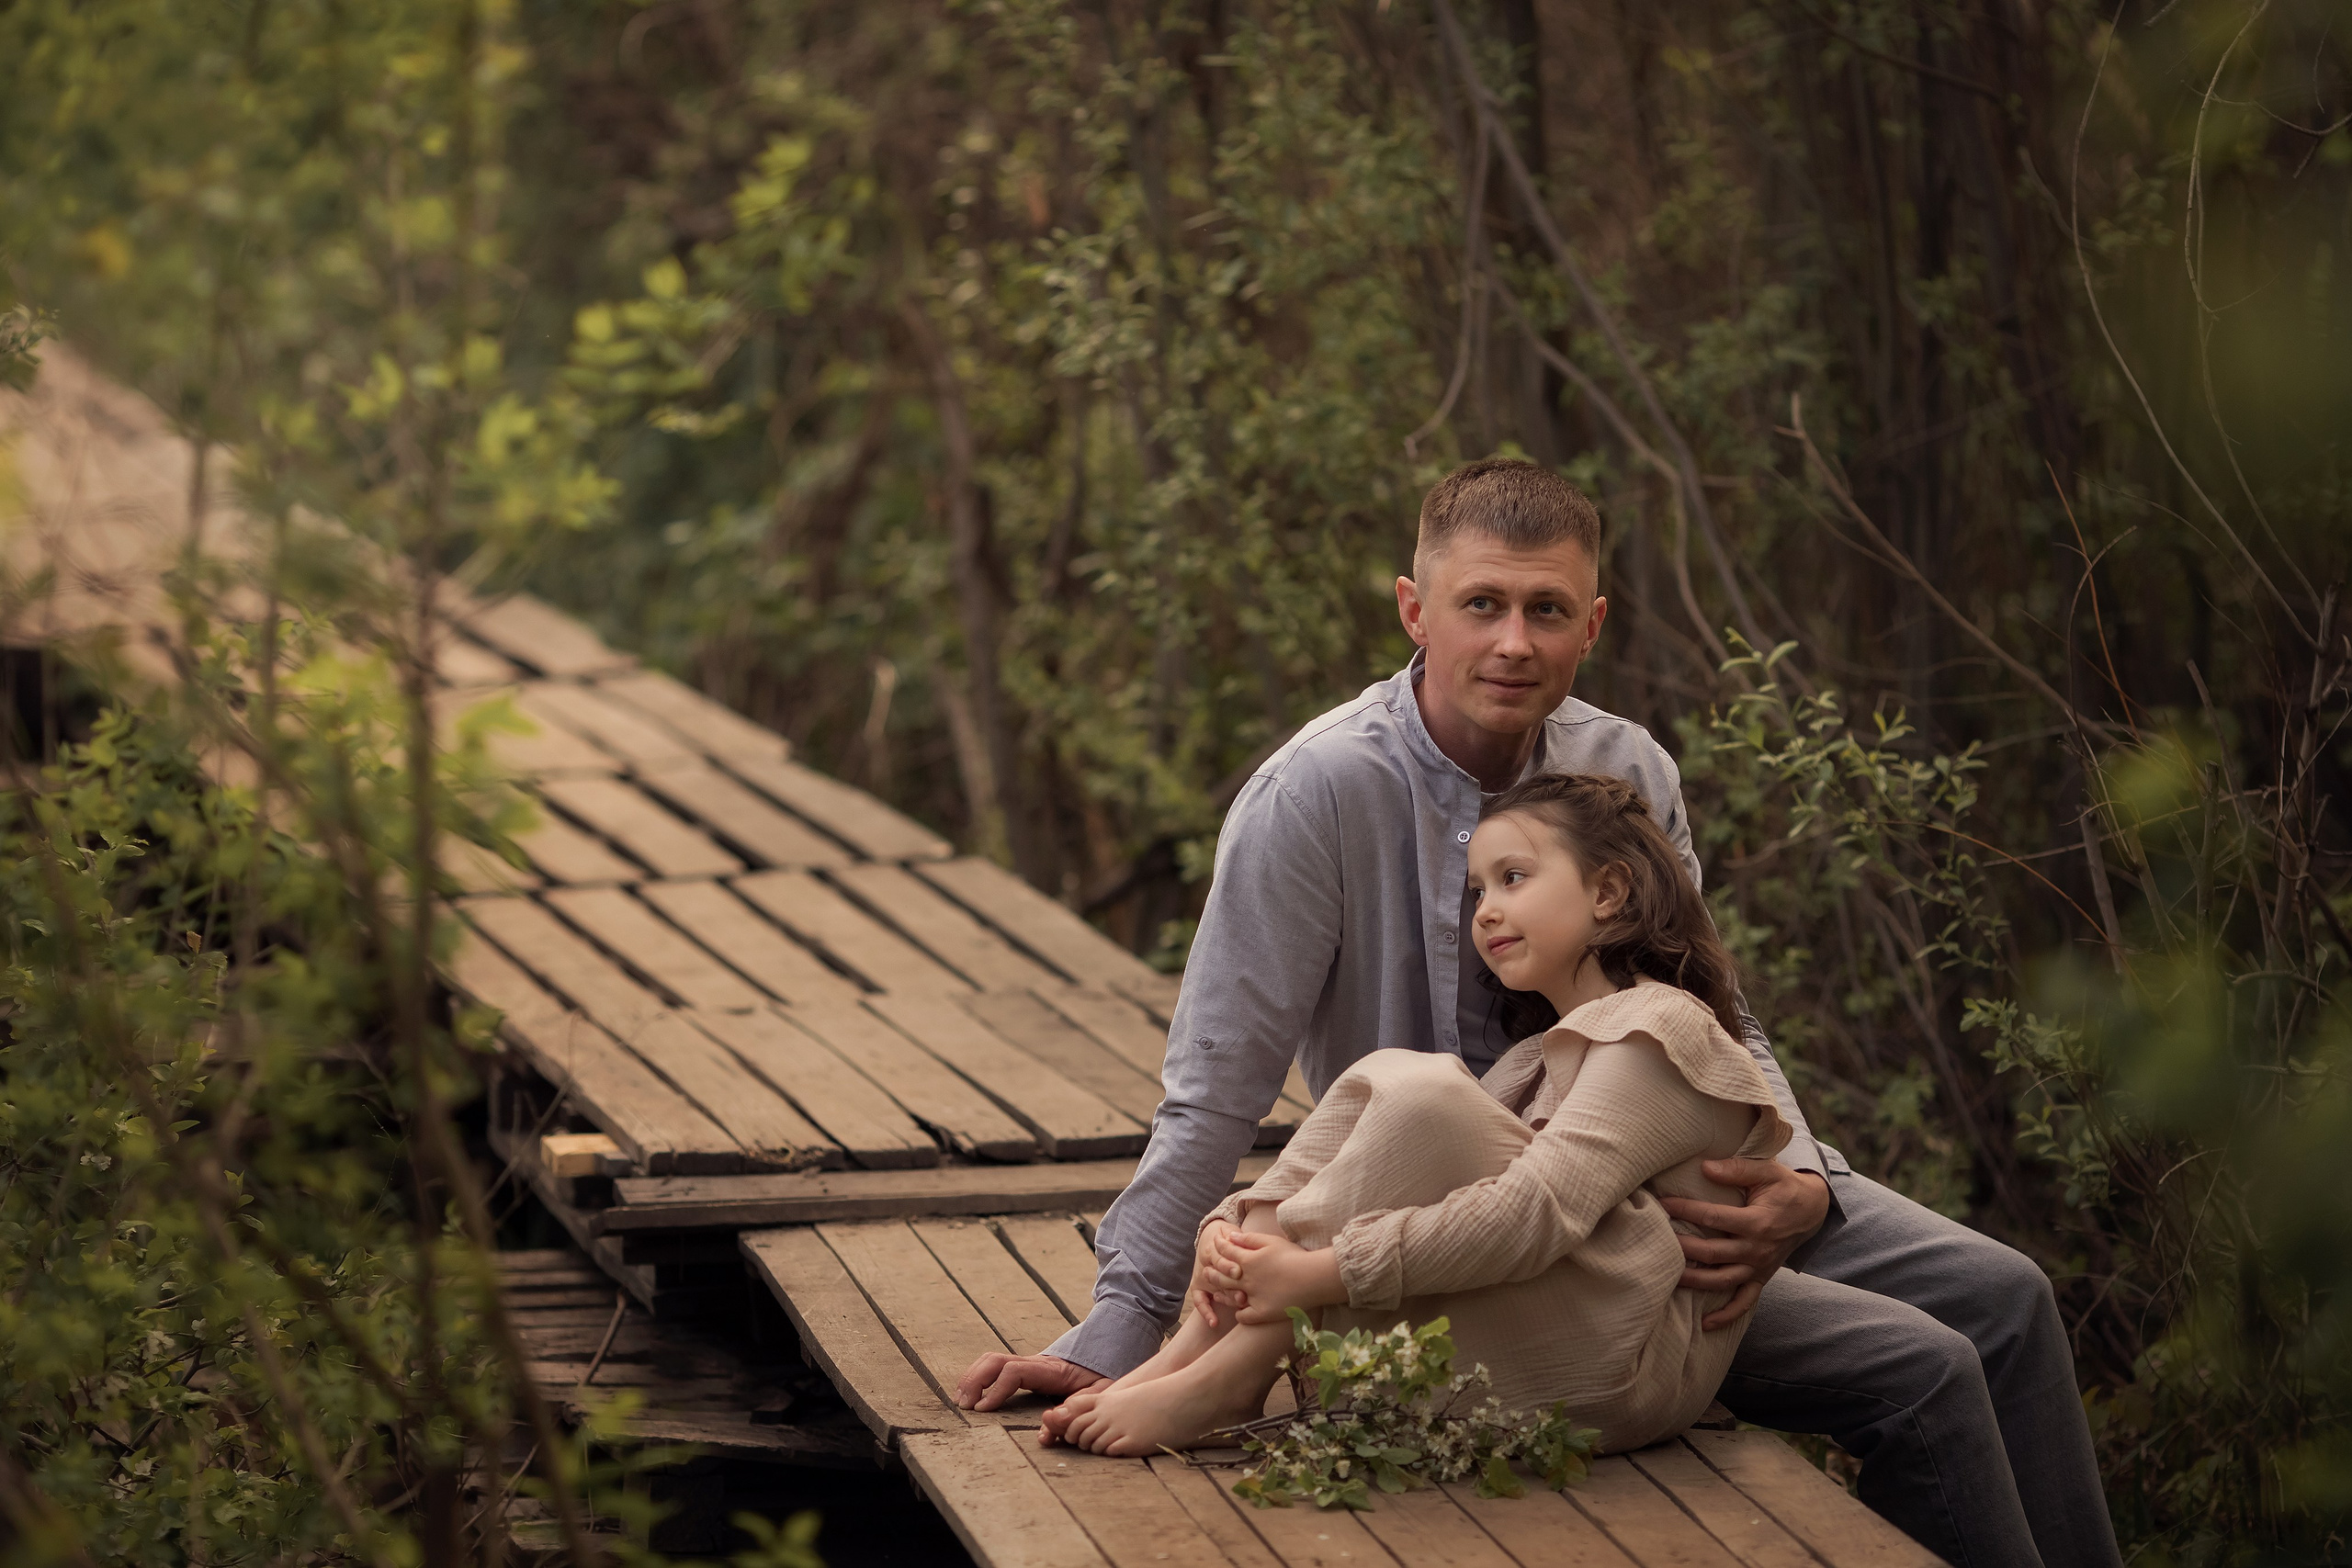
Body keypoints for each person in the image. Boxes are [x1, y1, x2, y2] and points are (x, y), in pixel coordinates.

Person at [955, 459, 2120, 1568]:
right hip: (1482, 1220)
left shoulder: (1626, 773)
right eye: (1482, 605)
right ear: (1415, 610)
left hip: (1653, 1152)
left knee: (2005, 1298)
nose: (1514, 642)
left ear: (1592, 624)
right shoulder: (1319, 791)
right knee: (1918, 1368)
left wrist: (1801, 1178)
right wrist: (1122, 1322)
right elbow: (1217, 1085)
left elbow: (1713, 1010)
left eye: (1547, 610)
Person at [1056, 773, 1792, 1458]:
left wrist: (1318, 1273)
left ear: (1608, 891)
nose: (1487, 909)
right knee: (1392, 1074)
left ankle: (1233, 1369)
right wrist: (1233, 1226)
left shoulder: (1659, 1028)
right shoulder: (1535, 1056)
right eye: (1477, 890)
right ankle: (1195, 1352)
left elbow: (1533, 1214)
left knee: (1429, 1092)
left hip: (1627, 1362)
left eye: (1513, 877)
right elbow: (1397, 1177)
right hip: (1553, 1316)